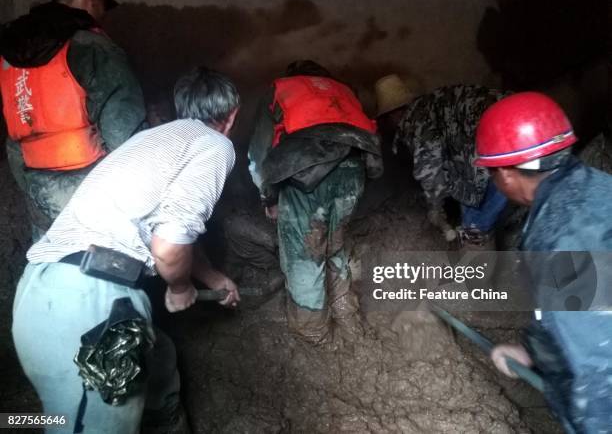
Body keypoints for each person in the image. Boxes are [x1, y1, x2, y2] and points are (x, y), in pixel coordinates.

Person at [11, 67, 240, 434]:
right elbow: (169, 246)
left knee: (159, 366)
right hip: (91, 308)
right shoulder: (216, 146)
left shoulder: (158, 141)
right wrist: (181, 289)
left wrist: (213, 278)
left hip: (47, 292)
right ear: (231, 116)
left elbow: (170, 230)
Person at [475, 92, 612, 432]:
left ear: (506, 175)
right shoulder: (598, 188)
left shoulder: (560, 243)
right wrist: (532, 352)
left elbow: (600, 378)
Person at [0, 0, 147, 240]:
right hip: (93, 198)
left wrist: (35, 191)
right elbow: (125, 136)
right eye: (103, 5)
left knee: (51, 272)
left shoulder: (9, 54)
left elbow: (13, 141)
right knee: (105, 277)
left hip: (39, 197)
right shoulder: (93, 47)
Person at [248, 60, 383, 344]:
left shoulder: (280, 91)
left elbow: (260, 153)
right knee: (335, 245)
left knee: (305, 257)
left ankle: (315, 333)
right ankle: (348, 319)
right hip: (354, 171)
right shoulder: (342, 92)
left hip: (306, 173)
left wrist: (268, 197)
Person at [375, 75, 511, 248]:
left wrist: (435, 207)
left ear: (394, 115)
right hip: (517, 121)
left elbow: (429, 166)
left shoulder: (415, 119)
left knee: (474, 222)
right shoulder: (434, 103)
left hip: (493, 141)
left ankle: (476, 265)